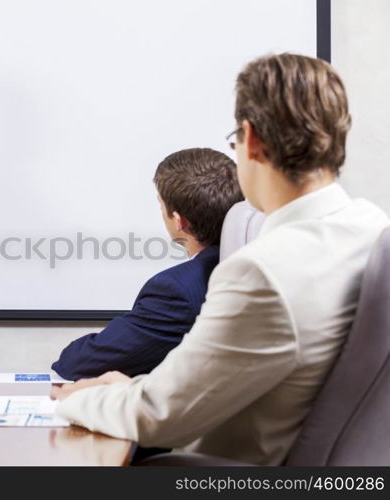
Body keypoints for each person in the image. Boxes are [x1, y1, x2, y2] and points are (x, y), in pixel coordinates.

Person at [51, 53, 389, 466]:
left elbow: (161, 417)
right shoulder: (372, 227)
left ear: (251, 139)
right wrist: (133, 388)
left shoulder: (263, 270)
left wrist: (83, 400)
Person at [52, 148, 243, 380]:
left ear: (178, 221)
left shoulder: (178, 290)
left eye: (161, 207)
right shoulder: (249, 263)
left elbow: (79, 363)